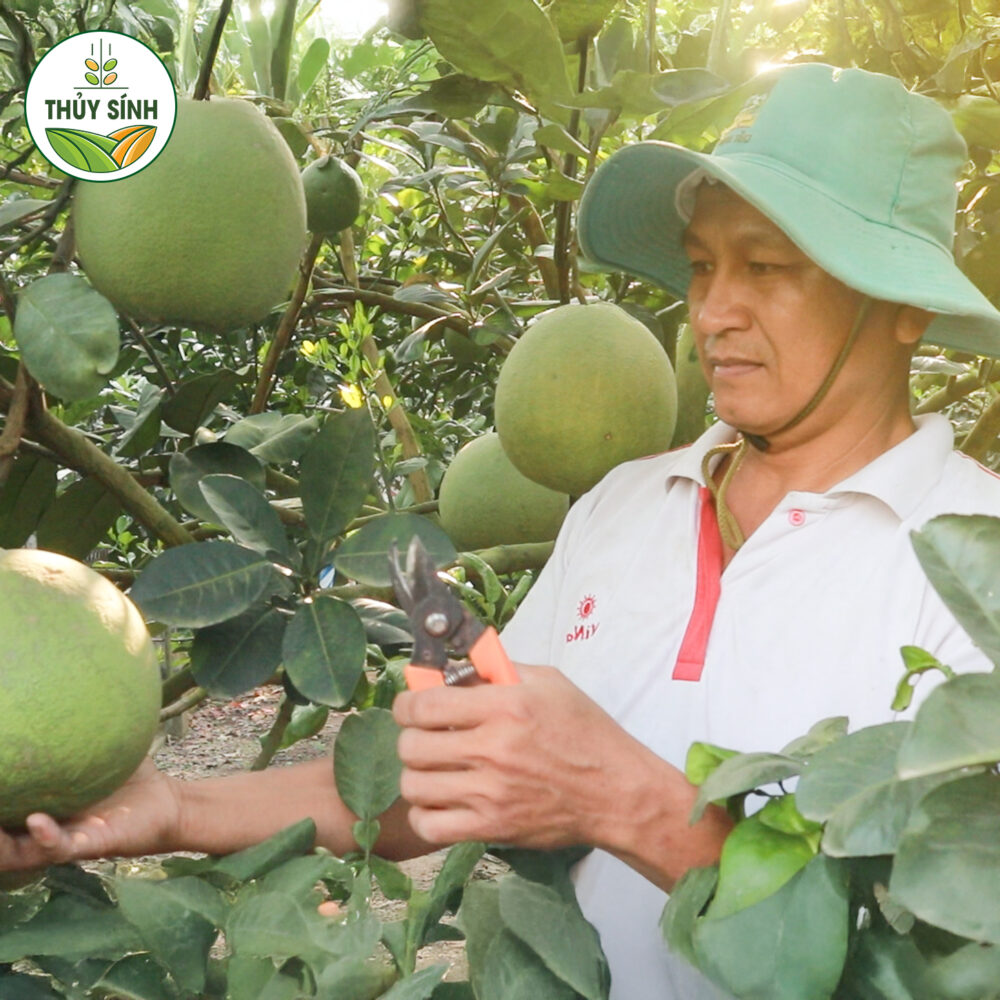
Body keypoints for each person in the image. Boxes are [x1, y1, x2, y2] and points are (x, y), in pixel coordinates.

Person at [4, 63, 1000, 1000]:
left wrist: (622, 800)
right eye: (701, 266)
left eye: (767, 266)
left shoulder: (973, 565)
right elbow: (445, 783)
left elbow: (933, 957)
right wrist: (171, 809)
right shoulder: (624, 505)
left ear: (903, 305)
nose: (714, 311)